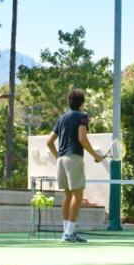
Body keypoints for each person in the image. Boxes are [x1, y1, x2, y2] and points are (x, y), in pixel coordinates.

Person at [47, 88, 102, 243]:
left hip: (61, 160)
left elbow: (49, 142)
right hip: (73, 159)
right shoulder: (82, 116)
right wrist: (95, 155)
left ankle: (67, 231)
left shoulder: (61, 118)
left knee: (68, 196)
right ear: (82, 103)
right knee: (78, 197)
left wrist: (59, 157)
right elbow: (82, 138)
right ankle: (69, 233)